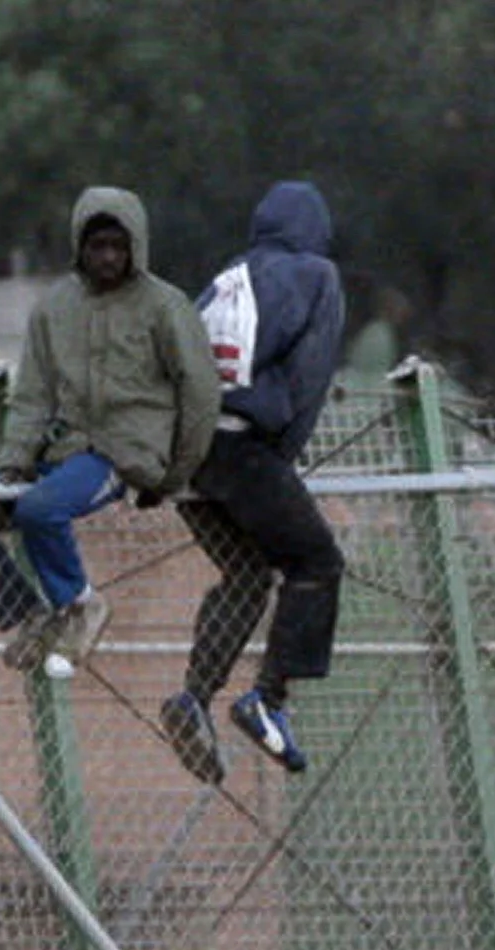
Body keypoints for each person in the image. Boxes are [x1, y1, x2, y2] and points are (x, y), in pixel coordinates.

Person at [0, 186, 220, 679]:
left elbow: (200, 393)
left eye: (118, 245)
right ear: (79, 247)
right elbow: (33, 396)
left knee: (41, 509)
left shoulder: (165, 306)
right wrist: (12, 462)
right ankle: (32, 617)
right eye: (97, 246)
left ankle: (83, 603)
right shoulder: (54, 309)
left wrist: (174, 473)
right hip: (62, 447)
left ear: (136, 246)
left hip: (123, 453)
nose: (108, 256)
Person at [158, 180, 347, 784]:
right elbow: (309, 376)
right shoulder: (315, 275)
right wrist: (282, 458)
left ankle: (194, 696)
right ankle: (270, 697)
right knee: (316, 563)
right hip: (241, 446)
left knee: (245, 573)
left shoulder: (224, 277)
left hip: (181, 451)